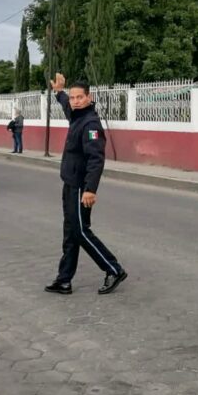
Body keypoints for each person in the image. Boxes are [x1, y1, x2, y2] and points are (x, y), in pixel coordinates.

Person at [44, 73, 127, 296]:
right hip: (70, 184)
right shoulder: (77, 116)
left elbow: (96, 159)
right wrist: (59, 92)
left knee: (80, 231)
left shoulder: (90, 123)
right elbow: (65, 106)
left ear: (89, 97)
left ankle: (113, 269)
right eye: (72, 97)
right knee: (71, 232)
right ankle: (64, 280)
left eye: (80, 97)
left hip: (81, 186)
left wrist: (90, 189)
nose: (75, 101)